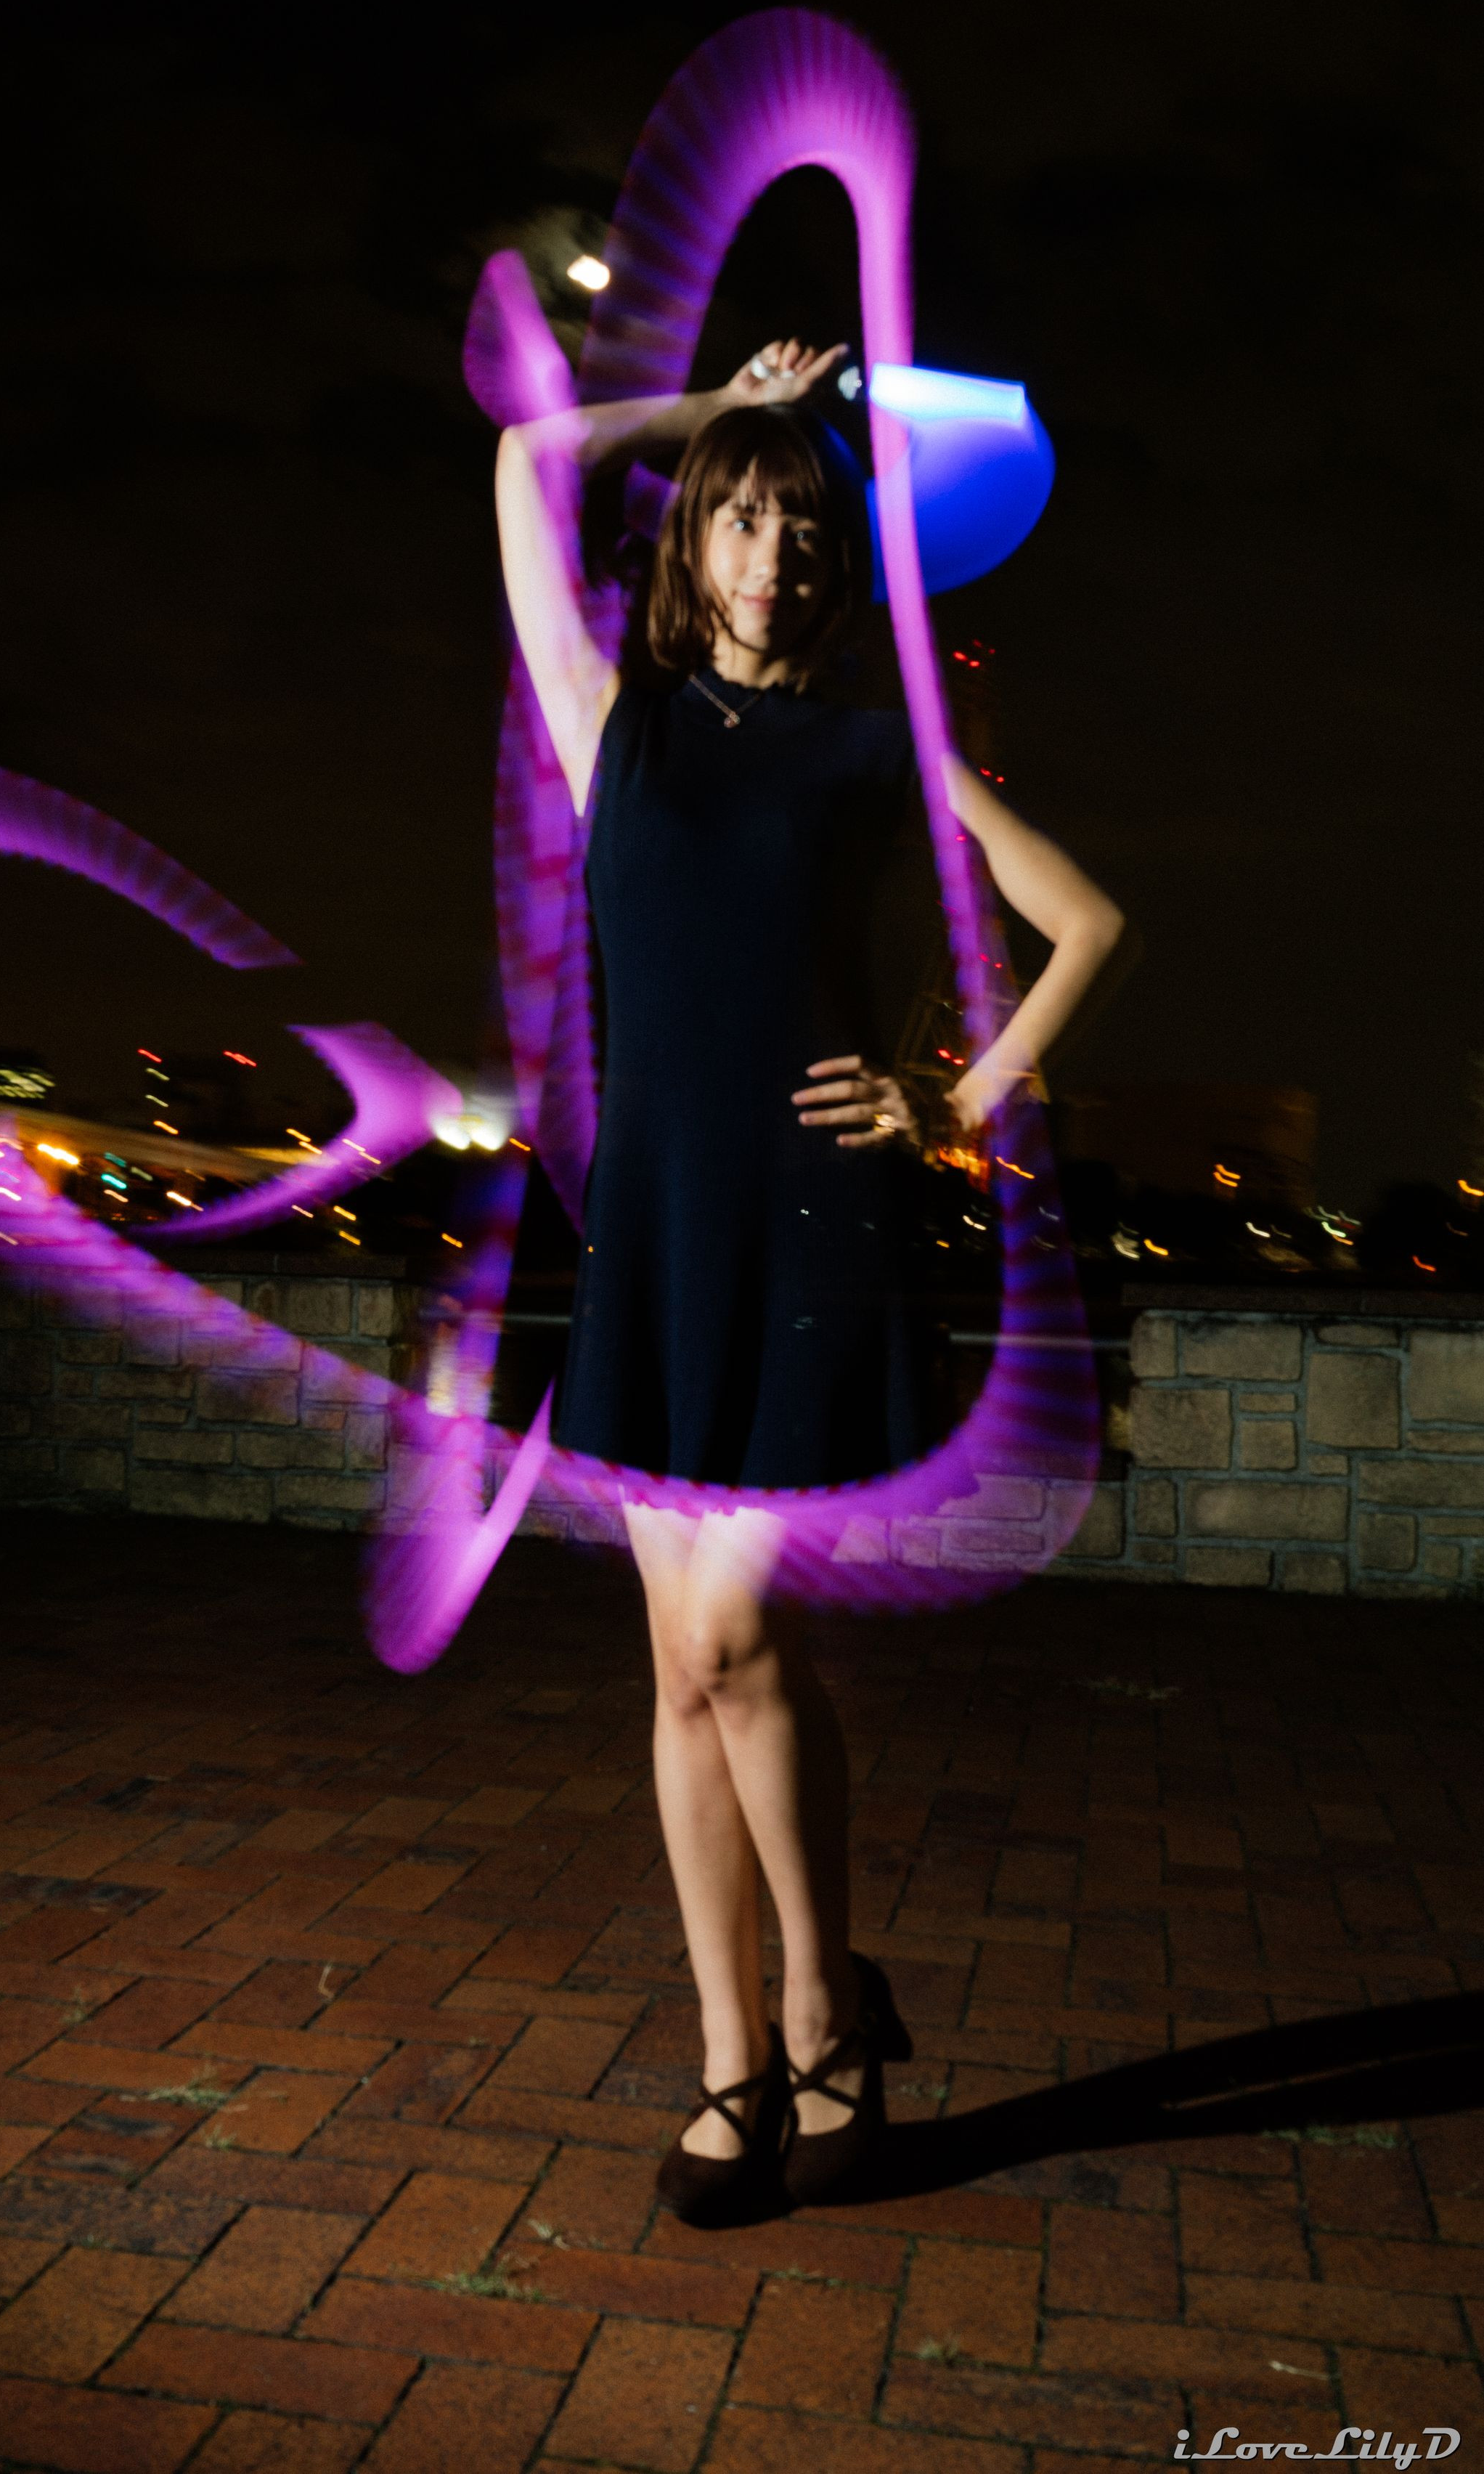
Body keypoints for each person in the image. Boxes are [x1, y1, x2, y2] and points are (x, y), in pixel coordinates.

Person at [494, 338, 1124, 2221]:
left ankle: (827, 1995)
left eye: (803, 526)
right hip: (654, 1240)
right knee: (677, 1676)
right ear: (693, 540)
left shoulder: (876, 752)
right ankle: (739, 2059)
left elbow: (1086, 921)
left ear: (836, 561)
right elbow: (527, 455)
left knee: (730, 1639)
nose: (774, 554)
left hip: (808, 1234)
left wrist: (950, 1100)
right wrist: (725, 413)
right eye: (743, 520)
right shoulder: (615, 721)